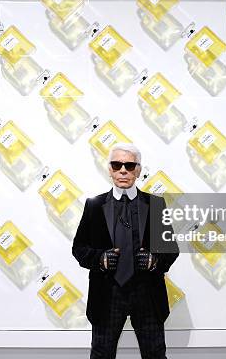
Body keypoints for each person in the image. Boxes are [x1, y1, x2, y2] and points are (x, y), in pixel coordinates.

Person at [72, 142, 179, 359]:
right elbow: (79, 248)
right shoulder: (93, 205)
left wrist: (154, 261)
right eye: (117, 164)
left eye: (130, 165)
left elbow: (171, 250)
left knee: (155, 354)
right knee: (101, 354)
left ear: (138, 170)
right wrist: (100, 259)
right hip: (107, 293)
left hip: (147, 292)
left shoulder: (156, 204)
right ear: (109, 169)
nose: (123, 170)